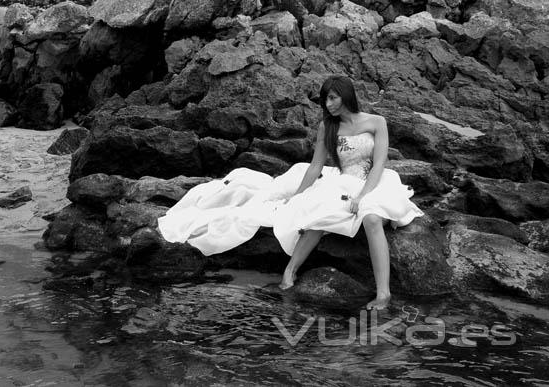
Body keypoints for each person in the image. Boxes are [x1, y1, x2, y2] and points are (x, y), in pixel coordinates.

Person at [157, 75, 423, 310]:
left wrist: (362, 197)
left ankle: (383, 294)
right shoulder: (327, 127)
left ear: (346, 94)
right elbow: (316, 166)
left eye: (332, 98)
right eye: (325, 100)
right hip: (342, 182)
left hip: (375, 181)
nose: (328, 105)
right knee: (319, 212)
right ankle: (289, 272)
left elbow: (379, 163)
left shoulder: (377, 122)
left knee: (371, 217)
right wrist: (297, 195)